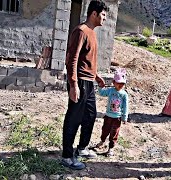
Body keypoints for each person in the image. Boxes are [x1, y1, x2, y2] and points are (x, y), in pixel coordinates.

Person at [61, 0, 109, 170]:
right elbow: (71, 59)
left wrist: (96, 77)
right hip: (80, 82)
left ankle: (81, 149)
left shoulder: (92, 33)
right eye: (103, 15)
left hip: (89, 82)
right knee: (73, 119)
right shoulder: (81, 31)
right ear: (94, 14)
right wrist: (73, 84)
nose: (104, 18)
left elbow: (86, 60)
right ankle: (67, 156)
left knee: (90, 116)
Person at [94, 68, 129, 156]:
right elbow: (101, 93)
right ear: (113, 82)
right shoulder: (110, 91)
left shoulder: (124, 94)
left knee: (114, 133)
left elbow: (125, 106)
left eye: (122, 83)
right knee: (105, 130)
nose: (120, 85)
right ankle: (102, 142)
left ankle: (111, 148)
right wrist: (100, 86)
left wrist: (124, 117)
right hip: (108, 116)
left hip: (117, 118)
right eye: (118, 83)